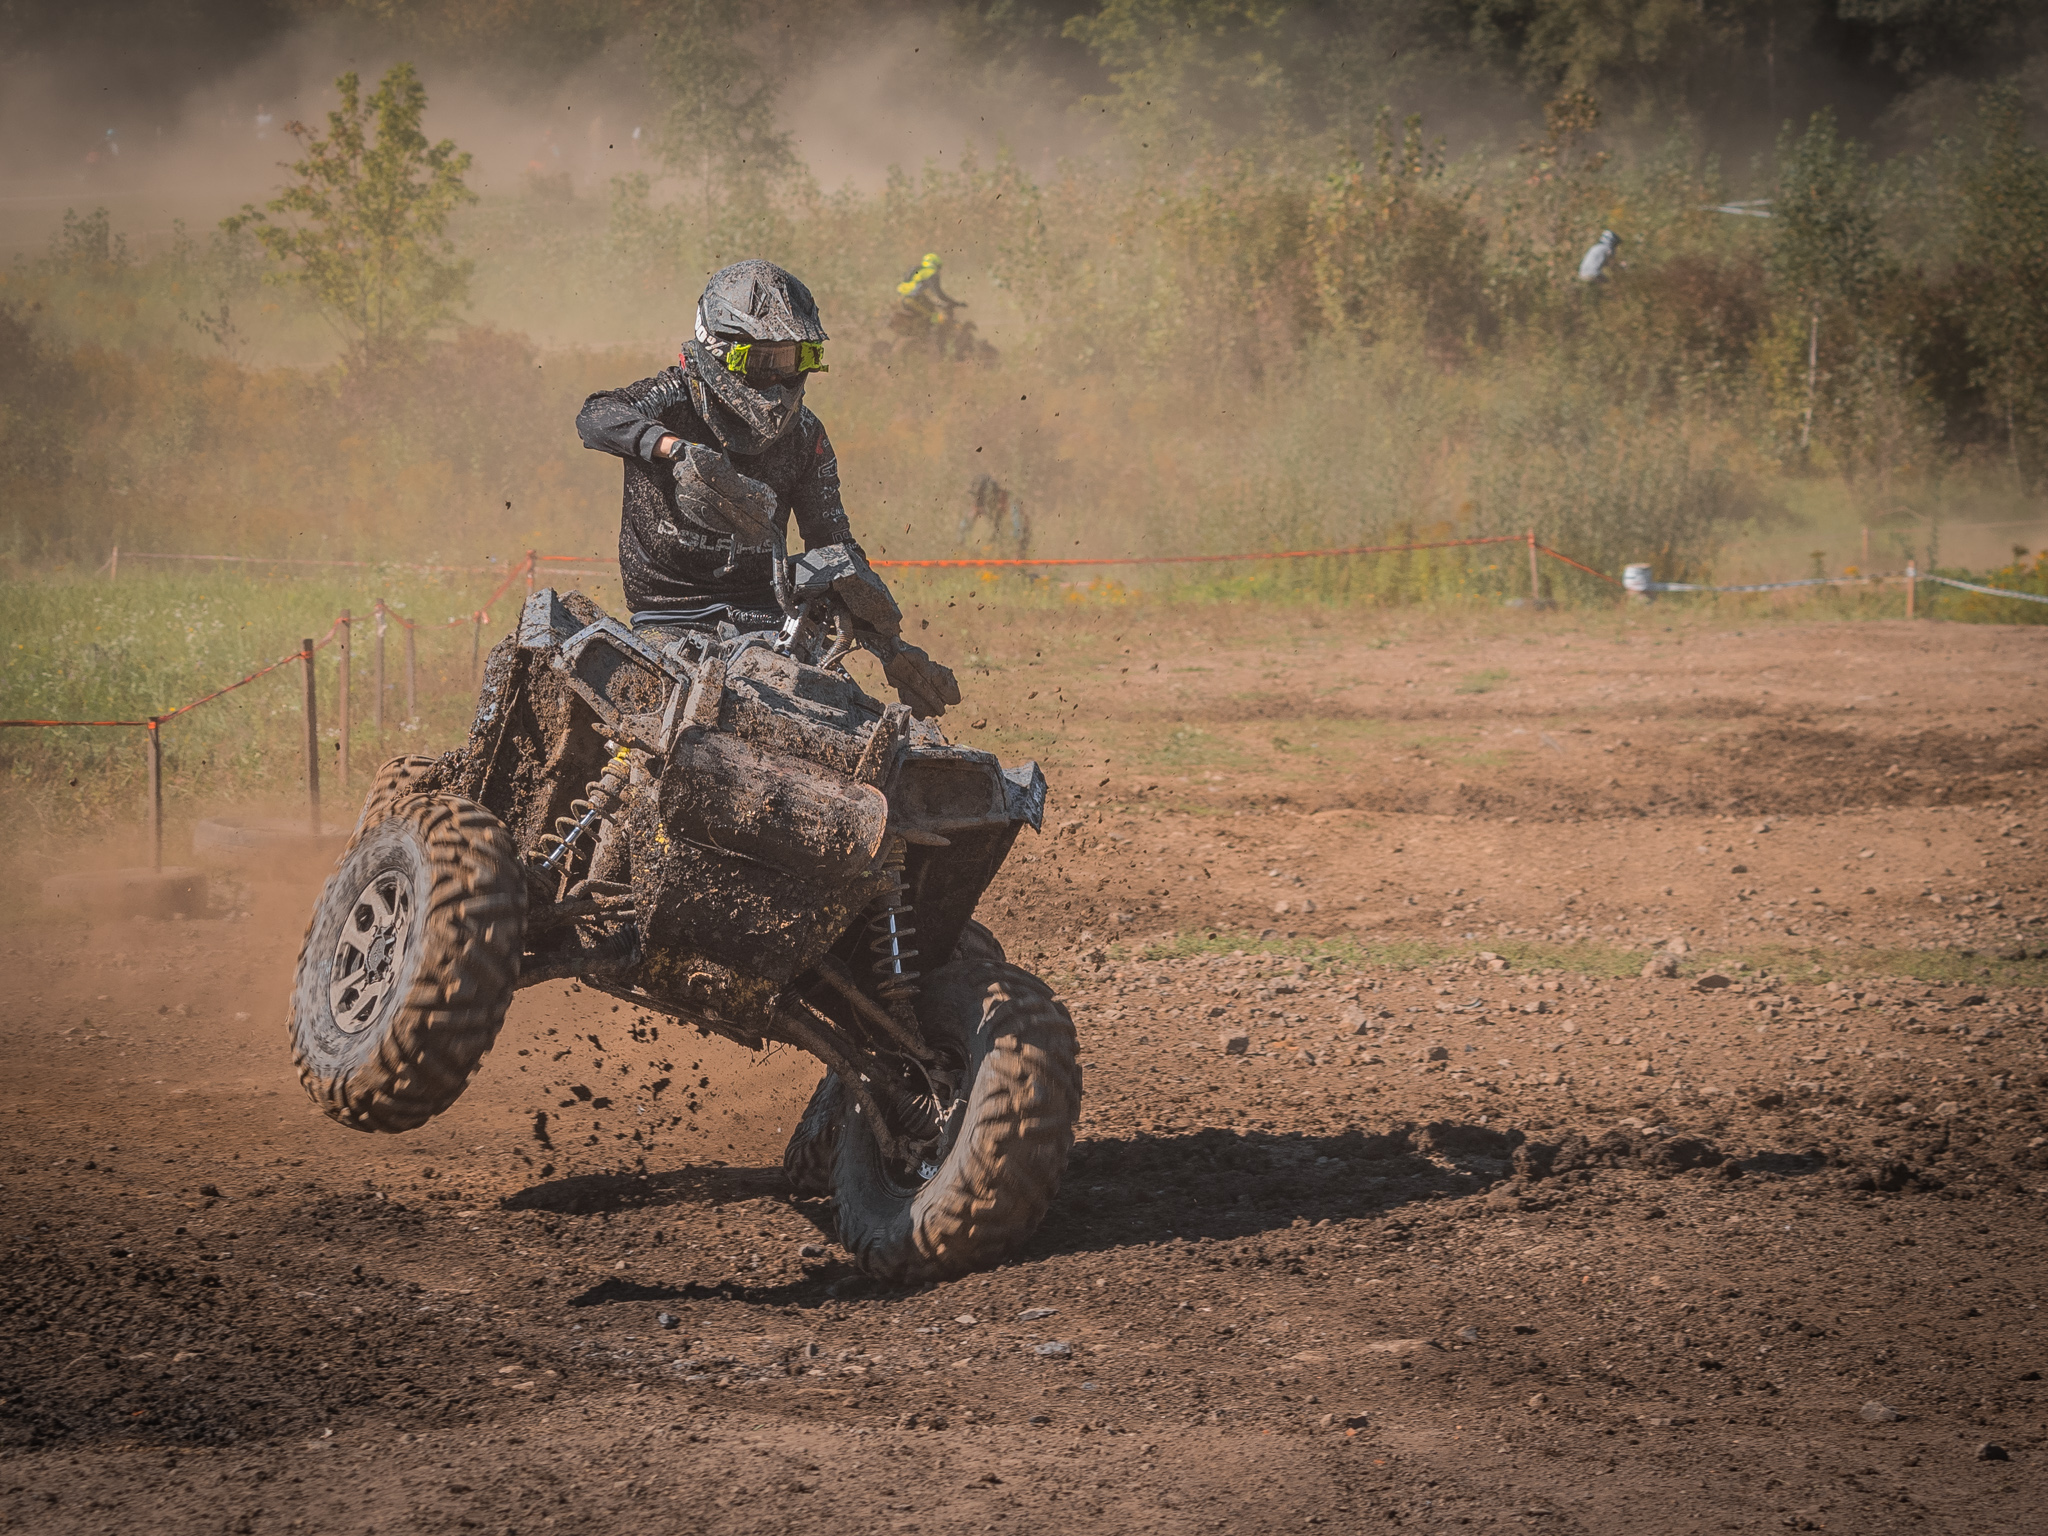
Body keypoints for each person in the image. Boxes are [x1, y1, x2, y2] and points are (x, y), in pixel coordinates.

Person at [576, 259, 959, 716]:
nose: (778, 378)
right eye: (763, 361)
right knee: (671, 719)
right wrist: (674, 450)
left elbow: (833, 549)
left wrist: (890, 646)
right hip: (669, 617)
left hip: (768, 621)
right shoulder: (675, 399)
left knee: (838, 719)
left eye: (793, 359)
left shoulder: (804, 437)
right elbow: (596, 416)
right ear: (717, 350)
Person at [896, 251, 961, 325]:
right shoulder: (931, 273)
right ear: (936, 265)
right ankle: (935, 335)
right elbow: (939, 294)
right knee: (934, 316)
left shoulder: (916, 269)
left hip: (901, 299)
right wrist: (955, 303)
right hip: (914, 299)